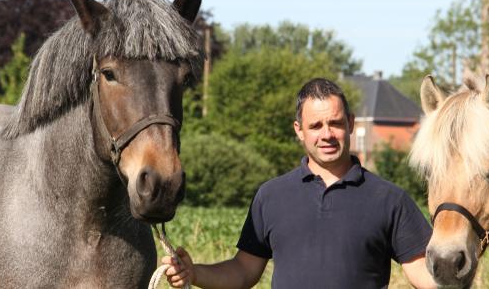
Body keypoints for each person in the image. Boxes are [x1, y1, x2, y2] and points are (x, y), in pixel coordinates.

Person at [163, 78, 436, 288]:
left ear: (351, 124)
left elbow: (424, 274)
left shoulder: (389, 199)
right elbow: (243, 271)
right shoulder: (271, 196)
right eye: (316, 126)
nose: (327, 134)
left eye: (336, 123)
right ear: (299, 131)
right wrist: (194, 272)